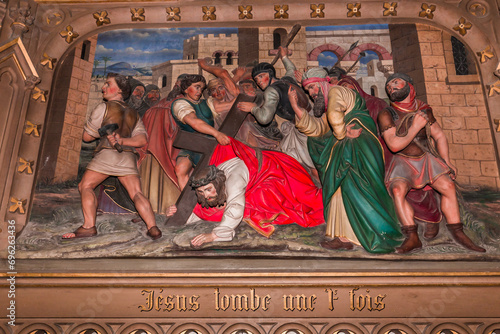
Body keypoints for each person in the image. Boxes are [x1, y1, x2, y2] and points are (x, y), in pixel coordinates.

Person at [288, 67, 402, 254]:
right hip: (347, 149)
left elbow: (334, 117)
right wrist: (296, 107)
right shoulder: (329, 104)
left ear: (325, 82)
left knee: (357, 188)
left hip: (359, 149)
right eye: (308, 90)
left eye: (314, 87)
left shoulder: (337, 91)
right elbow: (317, 129)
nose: (311, 93)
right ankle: (343, 237)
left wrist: (340, 133)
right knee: (341, 189)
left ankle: (371, 233)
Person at [378, 73, 486, 253]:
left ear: (409, 86)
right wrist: (414, 127)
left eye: (396, 82)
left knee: (448, 186)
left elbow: (439, 135)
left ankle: (458, 232)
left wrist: (447, 161)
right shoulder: (386, 113)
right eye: (388, 86)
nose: (391, 87)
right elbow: (395, 145)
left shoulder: (424, 109)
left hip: (426, 159)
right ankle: (412, 236)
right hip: (403, 161)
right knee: (397, 190)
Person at [167, 138, 324, 247]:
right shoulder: (213, 182)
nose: (206, 195)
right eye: (202, 192)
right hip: (253, 181)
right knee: (250, 203)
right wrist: (181, 213)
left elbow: (235, 205)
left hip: (276, 171)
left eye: (208, 190)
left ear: (217, 183)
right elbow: (208, 207)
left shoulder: (233, 180)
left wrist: (215, 235)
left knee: (308, 201)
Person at [62, 73, 162, 240]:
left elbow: (87, 137)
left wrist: (99, 133)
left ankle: (88, 226)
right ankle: (153, 227)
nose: (103, 88)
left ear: (120, 90)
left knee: (85, 186)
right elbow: (141, 139)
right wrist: (122, 140)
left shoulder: (104, 108)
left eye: (108, 84)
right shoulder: (133, 113)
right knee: (137, 192)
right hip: (127, 156)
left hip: (107, 154)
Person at [237, 47, 315, 173]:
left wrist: (253, 108)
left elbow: (264, 118)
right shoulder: (287, 80)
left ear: (270, 74)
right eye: (256, 79)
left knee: (305, 165)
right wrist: (284, 57)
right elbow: (291, 69)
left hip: (303, 129)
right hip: (312, 121)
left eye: (262, 76)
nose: (259, 81)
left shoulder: (271, 91)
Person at [171, 74, 230, 190]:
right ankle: (188, 200)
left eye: (201, 89)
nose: (199, 91)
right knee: (180, 169)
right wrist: (217, 133)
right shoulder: (180, 104)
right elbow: (194, 122)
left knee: (213, 174)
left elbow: (225, 106)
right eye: (196, 87)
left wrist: (245, 104)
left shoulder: (206, 103)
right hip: (191, 143)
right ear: (186, 89)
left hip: (209, 143)